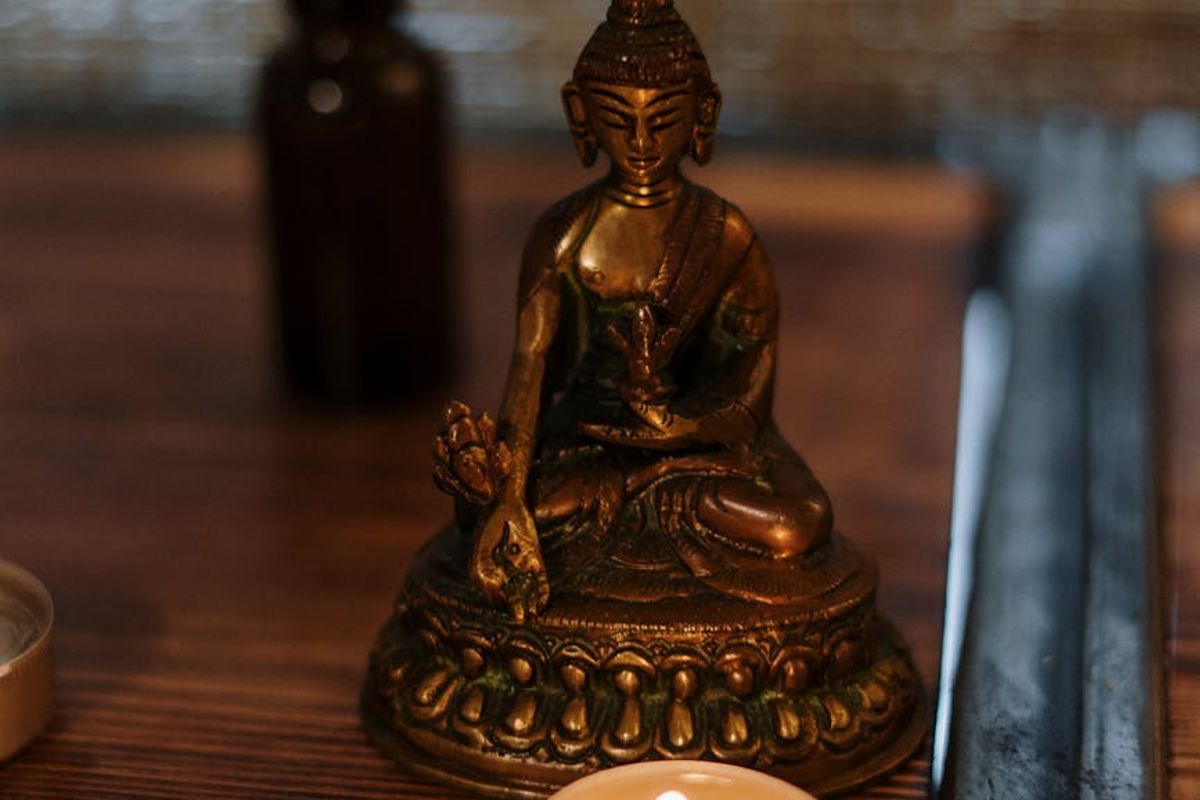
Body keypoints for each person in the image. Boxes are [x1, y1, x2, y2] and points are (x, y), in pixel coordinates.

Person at [435, 0, 834, 621]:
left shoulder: (726, 235)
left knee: (799, 524)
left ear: (705, 112)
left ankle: (630, 505)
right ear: (580, 112)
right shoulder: (564, 233)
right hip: (587, 442)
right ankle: (602, 504)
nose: (642, 142)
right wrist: (508, 498)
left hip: (698, 449)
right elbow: (530, 366)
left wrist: (683, 426)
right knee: (489, 510)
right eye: (619, 120)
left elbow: (750, 373)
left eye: (663, 119)